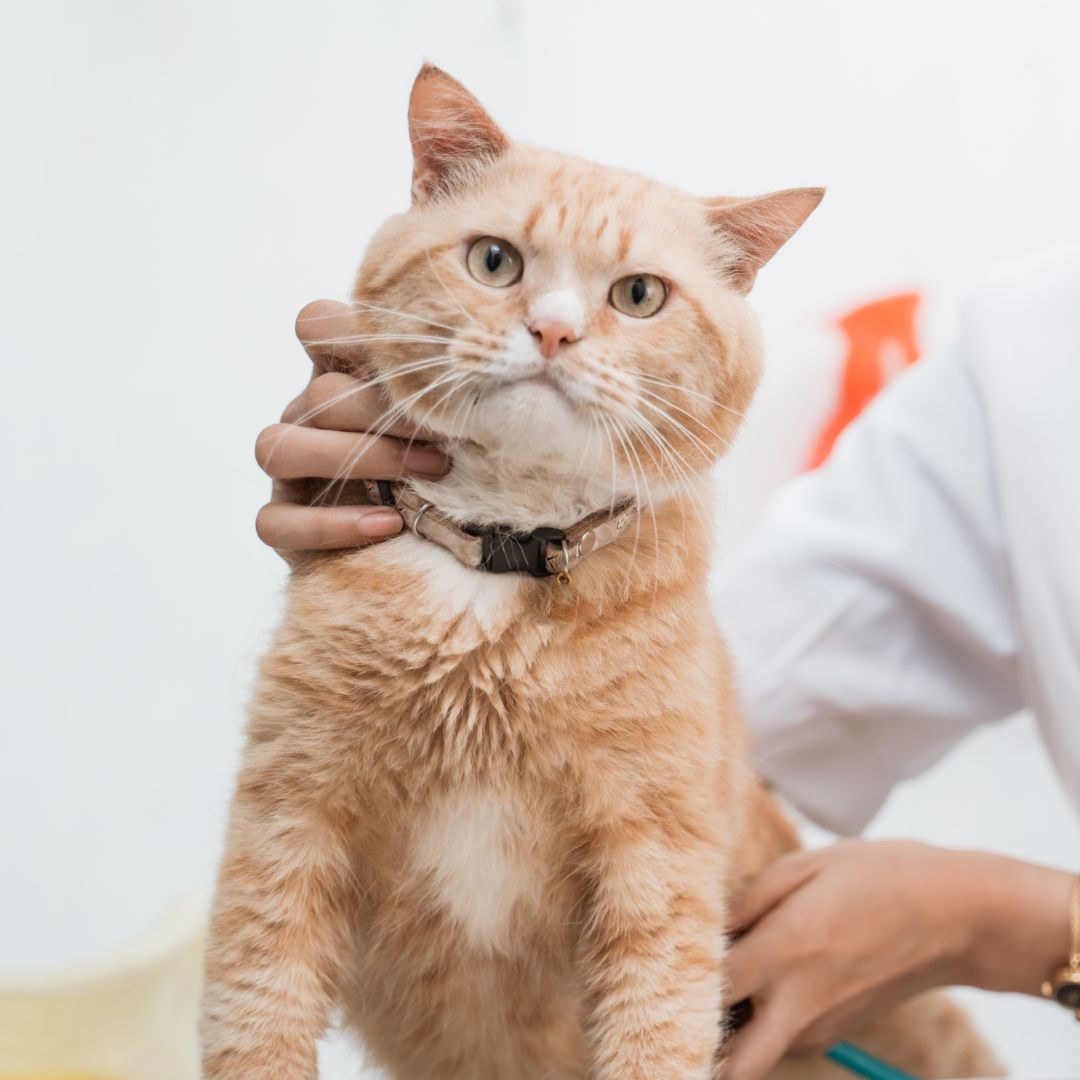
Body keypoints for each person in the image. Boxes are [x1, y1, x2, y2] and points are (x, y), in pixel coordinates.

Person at [254, 248, 1080, 1079]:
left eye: (637, 294)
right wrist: (432, 551)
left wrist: (1008, 923)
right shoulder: (1031, 343)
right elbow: (691, 716)